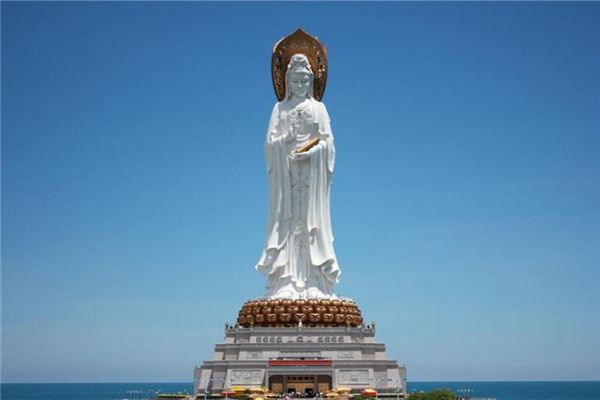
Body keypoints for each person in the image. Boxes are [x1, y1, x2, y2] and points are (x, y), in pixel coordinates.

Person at [256, 54, 340, 299]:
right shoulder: (279, 109)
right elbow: (269, 145)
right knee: (288, 223)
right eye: (295, 80)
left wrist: (312, 152)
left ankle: (314, 281)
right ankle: (285, 281)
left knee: (312, 224)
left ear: (311, 81)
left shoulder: (319, 109)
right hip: (286, 177)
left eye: (304, 80)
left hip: (312, 176)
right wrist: (286, 139)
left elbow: (328, 144)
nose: (300, 85)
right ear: (287, 82)